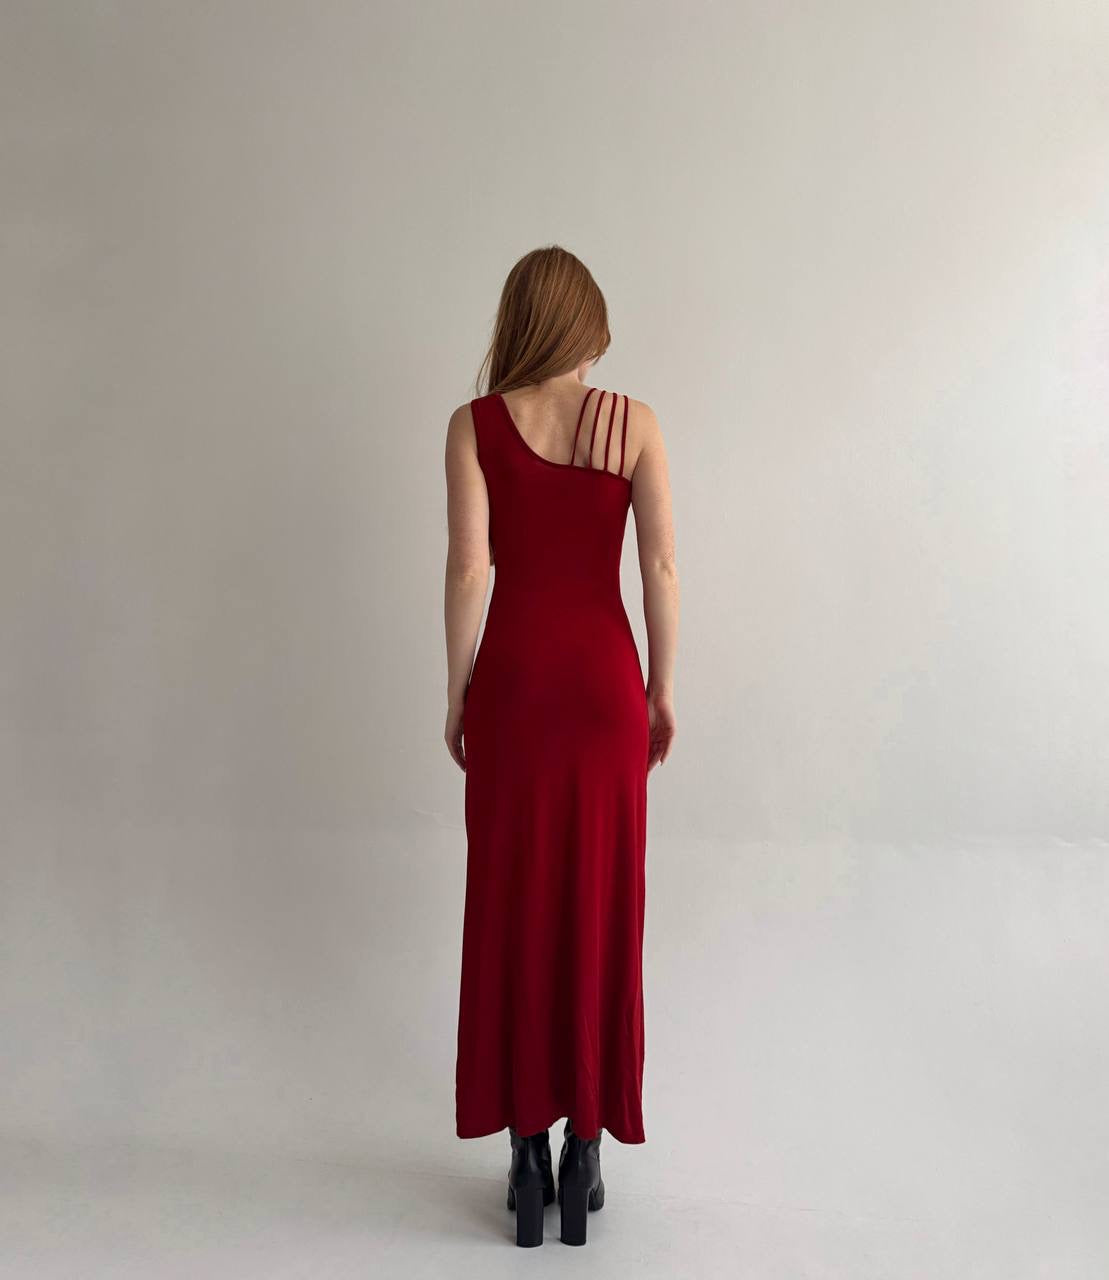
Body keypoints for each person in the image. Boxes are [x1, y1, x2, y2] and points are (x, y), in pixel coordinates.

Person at [443, 245, 679, 1247]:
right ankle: (587, 1145)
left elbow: (469, 569)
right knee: (598, 903)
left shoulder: (475, 426)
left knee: (514, 903)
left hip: (515, 686)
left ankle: (527, 1151)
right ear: (584, 325)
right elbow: (659, 564)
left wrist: (456, 691)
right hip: (602, 689)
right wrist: (659, 687)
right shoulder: (633, 424)